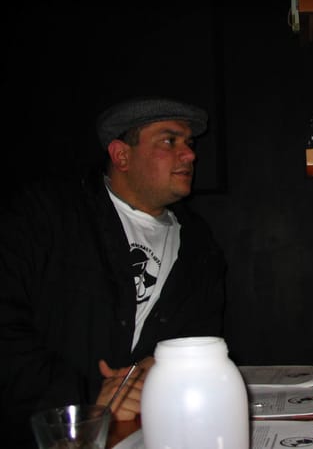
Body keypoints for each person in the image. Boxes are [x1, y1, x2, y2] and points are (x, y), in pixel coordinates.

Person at [0, 97, 227, 447]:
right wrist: (85, 396)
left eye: (190, 143)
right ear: (121, 155)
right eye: (170, 141)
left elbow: (200, 337)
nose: (190, 155)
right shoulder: (47, 215)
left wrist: (163, 369)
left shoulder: (200, 244)